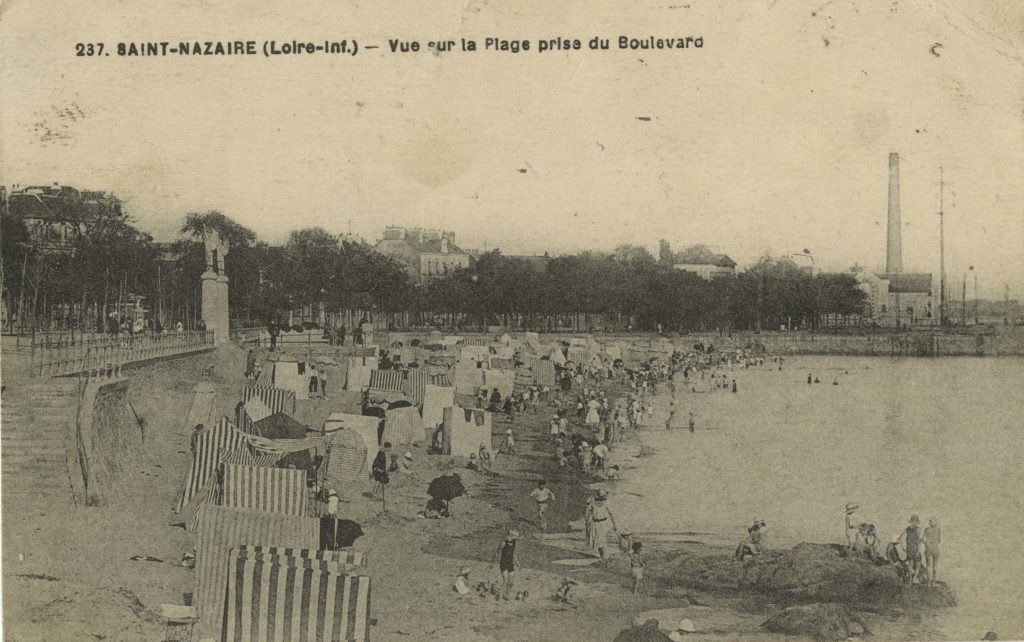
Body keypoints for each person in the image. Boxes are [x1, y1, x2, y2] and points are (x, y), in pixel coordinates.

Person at [588, 489, 618, 559]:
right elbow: (589, 512)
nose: (601, 500)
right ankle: (603, 557)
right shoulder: (592, 502)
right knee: (596, 541)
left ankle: (604, 558)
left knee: (601, 541)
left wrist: (614, 524)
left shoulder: (607, 503)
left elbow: (611, 514)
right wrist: (587, 522)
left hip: (603, 524)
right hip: (594, 523)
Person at [493, 530, 520, 601]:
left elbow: (513, 554)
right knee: (505, 580)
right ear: (511, 536)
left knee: (511, 582)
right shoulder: (503, 543)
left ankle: (506, 594)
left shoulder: (514, 543)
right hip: (503, 563)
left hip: (510, 563)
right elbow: (497, 552)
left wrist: (517, 563)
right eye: (515, 537)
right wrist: (492, 562)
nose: (516, 539)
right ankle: (498, 594)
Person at [898, 515, 924, 584]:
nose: (915, 523)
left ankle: (910, 581)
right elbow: (918, 541)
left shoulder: (907, 529)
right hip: (915, 549)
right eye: (914, 521)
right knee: (918, 565)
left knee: (911, 565)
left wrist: (903, 548)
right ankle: (914, 579)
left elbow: (900, 538)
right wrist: (918, 550)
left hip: (909, 550)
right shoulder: (918, 529)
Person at [923, 517, 941, 583]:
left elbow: (922, 539)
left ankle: (928, 581)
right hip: (935, 549)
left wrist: (926, 544)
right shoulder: (938, 530)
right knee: (935, 566)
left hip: (928, 549)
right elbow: (939, 540)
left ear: (930, 523)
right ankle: (934, 581)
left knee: (928, 566)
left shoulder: (926, 529)